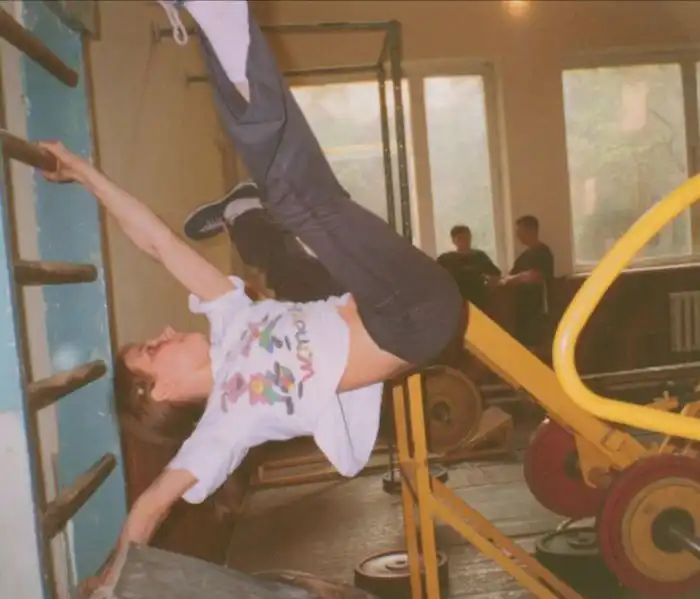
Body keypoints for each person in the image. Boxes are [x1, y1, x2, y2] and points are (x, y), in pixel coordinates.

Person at [42, 0, 462, 593]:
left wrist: (85, 173)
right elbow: (152, 505)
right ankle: (221, 19)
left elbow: (158, 242)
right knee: (295, 202)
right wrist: (112, 578)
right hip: (414, 322)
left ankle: (217, 33)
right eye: (152, 350)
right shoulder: (223, 427)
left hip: (376, 296)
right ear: (159, 392)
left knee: (291, 230)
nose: (164, 333)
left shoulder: (231, 317)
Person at [500, 215, 554, 346]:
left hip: (537, 308)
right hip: (522, 307)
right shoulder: (524, 255)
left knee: (535, 342)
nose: (517, 235)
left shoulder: (543, 252)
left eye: (520, 231)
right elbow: (511, 275)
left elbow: (537, 276)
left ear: (531, 230)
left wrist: (516, 278)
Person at [437, 224, 501, 309]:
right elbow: (435, 277)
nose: (465, 241)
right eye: (460, 238)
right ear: (453, 240)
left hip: (478, 297)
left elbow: (496, 274)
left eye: (467, 237)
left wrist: (490, 285)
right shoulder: (446, 259)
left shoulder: (479, 256)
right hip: (456, 299)